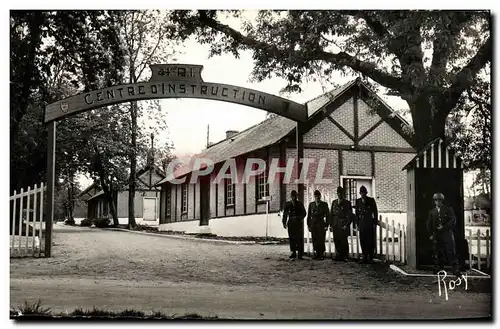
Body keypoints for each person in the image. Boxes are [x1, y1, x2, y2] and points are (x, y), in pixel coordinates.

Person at [426, 192, 462, 277]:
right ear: (434, 201)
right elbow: (428, 224)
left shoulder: (448, 209)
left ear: (442, 201)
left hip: (447, 234)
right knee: (437, 252)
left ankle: (455, 269)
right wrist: (431, 234)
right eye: (436, 200)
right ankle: (438, 269)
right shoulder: (432, 212)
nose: (438, 202)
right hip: (437, 235)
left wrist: (444, 227)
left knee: (451, 251)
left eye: (439, 200)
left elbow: (453, 220)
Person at [355, 185, 378, 263]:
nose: (363, 194)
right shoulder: (357, 201)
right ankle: (364, 257)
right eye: (361, 193)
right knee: (362, 240)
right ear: (360, 193)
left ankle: (370, 257)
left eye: (364, 193)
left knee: (370, 240)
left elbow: (375, 211)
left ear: (366, 193)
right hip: (361, 223)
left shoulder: (371, 200)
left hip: (369, 223)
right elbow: (357, 214)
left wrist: (375, 222)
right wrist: (357, 224)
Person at [330, 186, 353, 261]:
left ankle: (345, 256)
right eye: (338, 193)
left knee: (344, 241)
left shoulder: (347, 203)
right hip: (335, 224)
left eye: (341, 193)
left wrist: (347, 225)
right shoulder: (334, 202)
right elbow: (331, 214)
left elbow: (349, 216)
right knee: (336, 240)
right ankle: (339, 255)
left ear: (343, 194)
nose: (339, 194)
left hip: (343, 224)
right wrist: (331, 225)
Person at [282, 190, 307, 260]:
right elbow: (285, 214)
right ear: (291, 196)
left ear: (297, 196)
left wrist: (298, 217)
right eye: (293, 196)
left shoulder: (300, 204)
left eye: (295, 196)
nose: (294, 198)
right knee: (292, 238)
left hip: (298, 224)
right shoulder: (287, 204)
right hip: (291, 224)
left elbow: (304, 213)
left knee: (299, 238)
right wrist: (284, 222)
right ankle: (293, 252)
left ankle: (300, 253)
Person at [307, 190, 329, 260]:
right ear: (314, 196)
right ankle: (316, 253)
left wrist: (326, 225)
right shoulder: (311, 204)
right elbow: (309, 216)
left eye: (318, 196)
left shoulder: (324, 204)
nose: (317, 197)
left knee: (321, 239)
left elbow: (328, 215)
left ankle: (321, 254)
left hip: (321, 224)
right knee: (315, 239)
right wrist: (309, 225)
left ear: (320, 196)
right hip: (313, 224)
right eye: (316, 196)